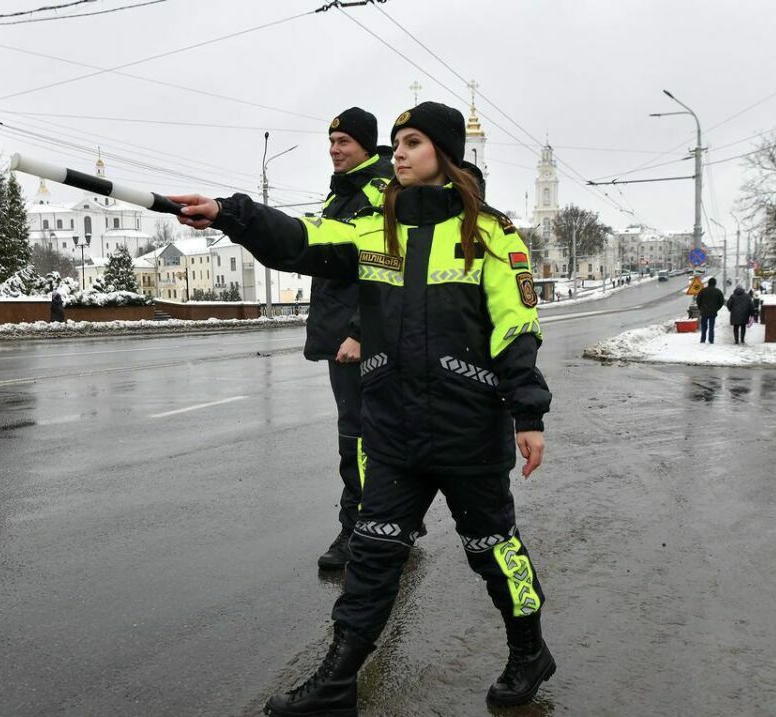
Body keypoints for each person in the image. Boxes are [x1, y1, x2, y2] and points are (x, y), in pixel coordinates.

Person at [171, 102, 556, 715]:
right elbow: (301, 239)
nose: (397, 154)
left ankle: (529, 652)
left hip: (466, 432)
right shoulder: (373, 229)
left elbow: (517, 330)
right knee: (373, 557)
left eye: (411, 143)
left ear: (445, 154)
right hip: (394, 430)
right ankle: (336, 681)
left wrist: (528, 416)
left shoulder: (492, 233)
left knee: (494, 552)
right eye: (396, 143)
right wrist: (229, 215)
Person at [310, 107, 394, 571]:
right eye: (332, 141)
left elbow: (386, 264)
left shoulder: (375, 190)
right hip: (341, 329)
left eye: (343, 142)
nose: (334, 149)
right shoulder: (342, 191)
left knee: (358, 437)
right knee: (366, 433)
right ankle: (389, 519)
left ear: (365, 144)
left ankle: (360, 530)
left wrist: (362, 331)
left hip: (359, 336)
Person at [695, 277, 724, 344]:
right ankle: (711, 340)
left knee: (704, 327)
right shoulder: (718, 291)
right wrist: (717, 308)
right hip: (713, 312)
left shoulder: (702, 291)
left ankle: (703, 339)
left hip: (704, 311)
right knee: (711, 327)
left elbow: (698, 300)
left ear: (708, 283)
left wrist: (701, 308)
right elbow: (721, 302)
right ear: (715, 283)